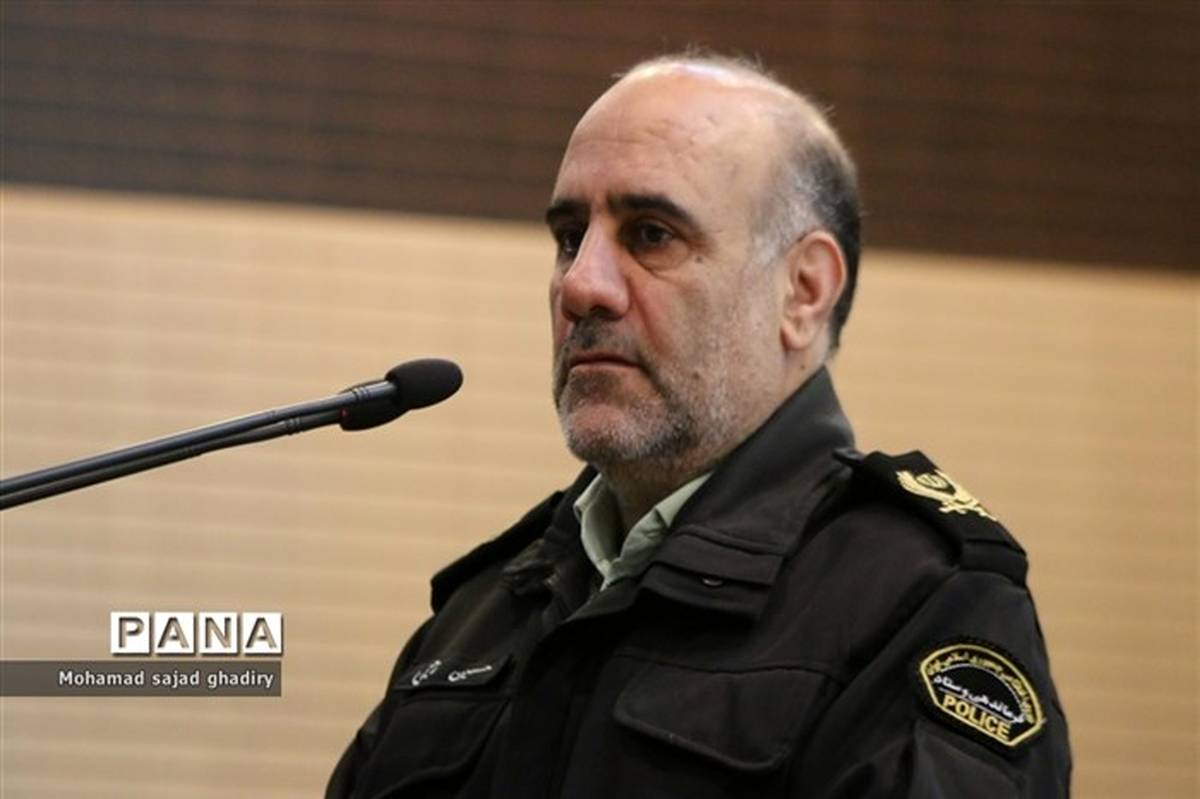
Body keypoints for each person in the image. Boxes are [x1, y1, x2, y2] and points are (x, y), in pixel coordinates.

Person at [327, 53, 1071, 798]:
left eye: (651, 235)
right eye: (569, 237)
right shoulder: (485, 608)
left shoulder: (921, 602)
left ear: (803, 291)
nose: (581, 285)